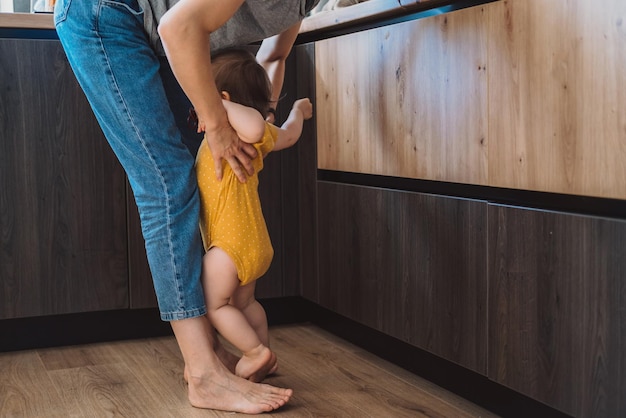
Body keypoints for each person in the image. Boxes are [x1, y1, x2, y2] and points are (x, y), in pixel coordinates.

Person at [54, 0, 318, 413]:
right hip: (106, 13)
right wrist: (217, 122)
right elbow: (179, 27)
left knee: (193, 176)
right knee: (167, 182)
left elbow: (274, 54)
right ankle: (203, 374)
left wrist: (260, 114)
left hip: (160, 32)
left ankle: (209, 356)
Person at [196, 48, 312, 381]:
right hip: (253, 242)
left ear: (222, 98)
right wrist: (299, 112)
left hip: (229, 246)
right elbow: (288, 135)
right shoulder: (251, 137)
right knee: (245, 304)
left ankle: (255, 352)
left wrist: (217, 107)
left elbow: (256, 125)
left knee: (214, 304)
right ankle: (267, 358)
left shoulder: (242, 133)